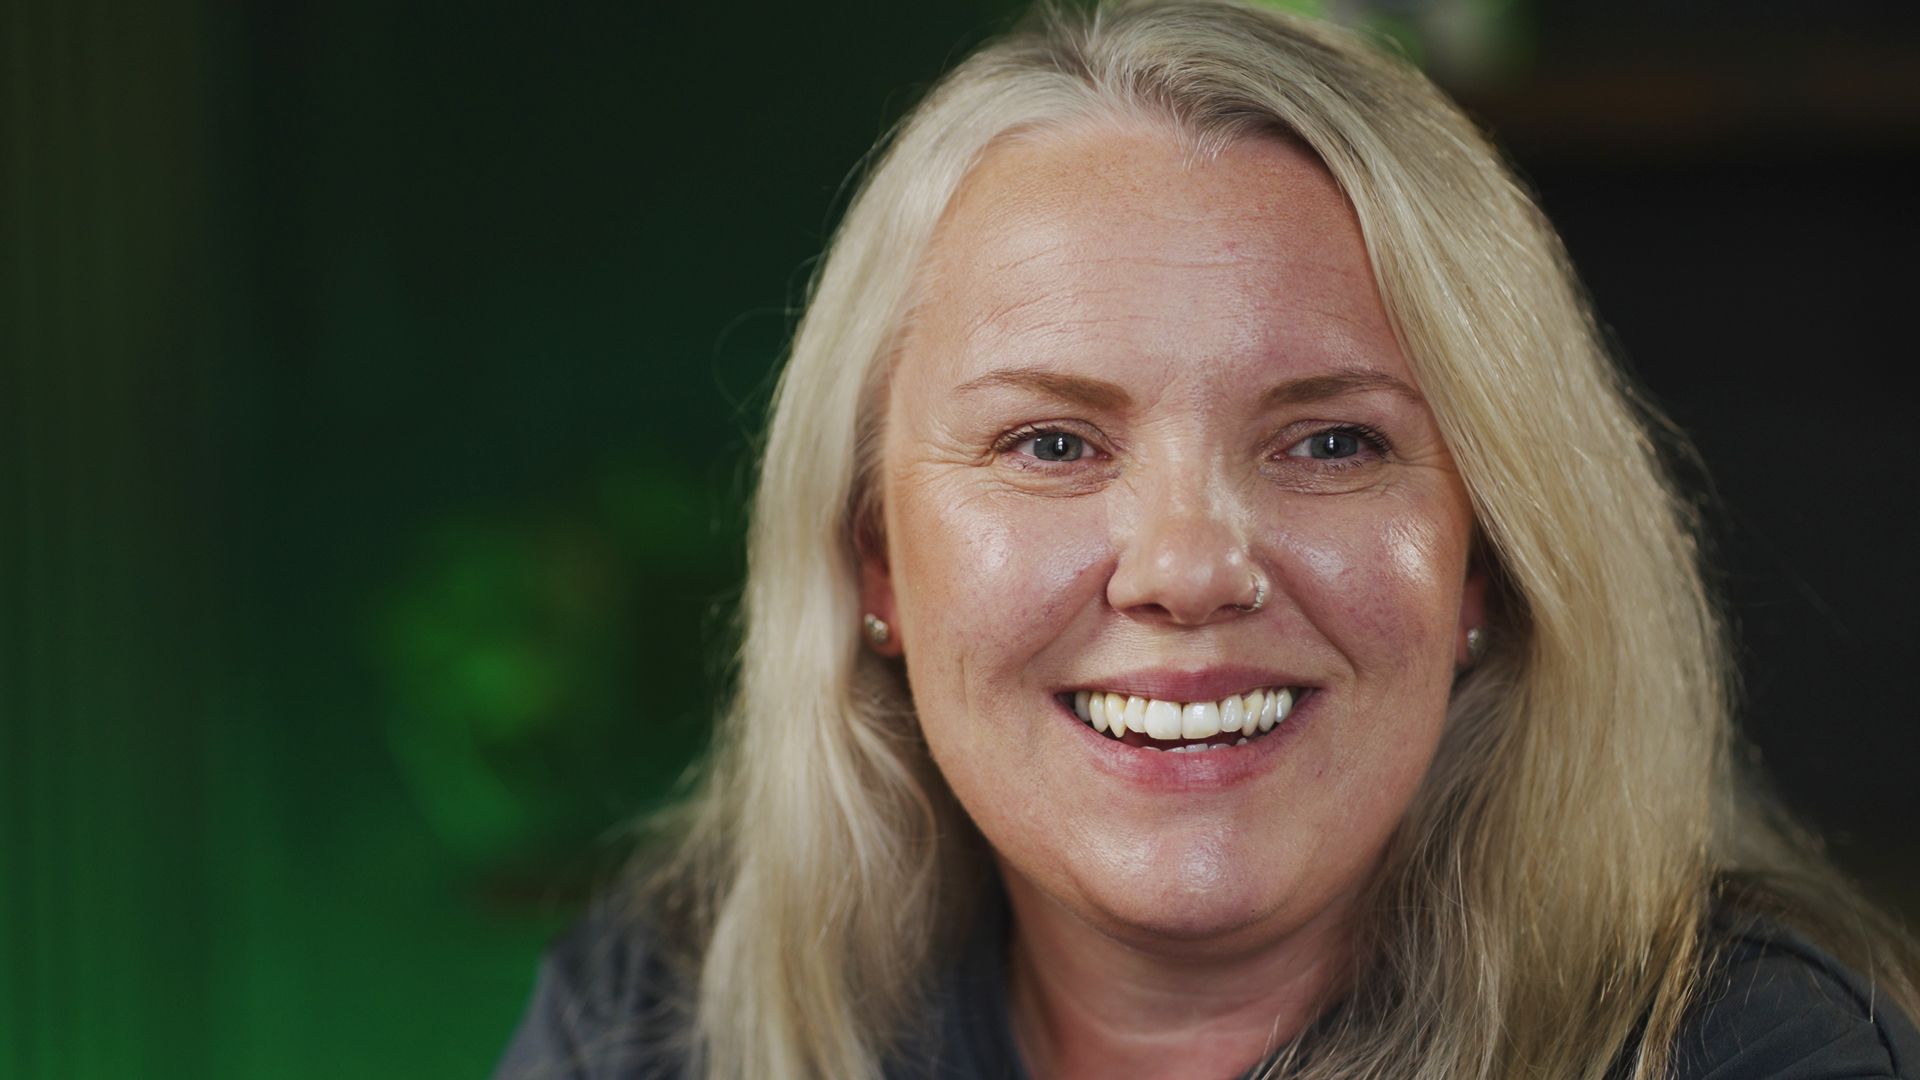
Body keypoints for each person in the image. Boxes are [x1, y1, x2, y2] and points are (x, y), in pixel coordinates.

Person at [496, 2, 1920, 1077]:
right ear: (877, 562)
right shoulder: (655, 1018)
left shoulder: (1760, 1052)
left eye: (1331, 444)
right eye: (1050, 445)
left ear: (1485, 557)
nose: (1186, 567)